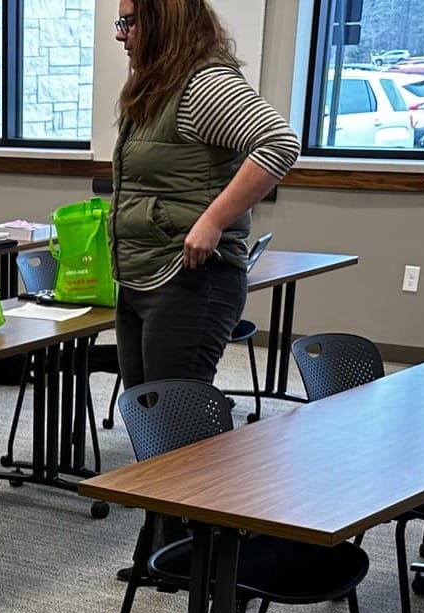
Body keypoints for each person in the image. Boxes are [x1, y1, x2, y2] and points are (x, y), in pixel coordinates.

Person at [109, 0, 300, 388]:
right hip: (143, 274)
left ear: (163, 20)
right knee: (148, 416)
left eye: (129, 22)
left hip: (190, 279)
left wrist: (213, 221)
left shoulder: (204, 84)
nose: (120, 34)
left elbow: (278, 143)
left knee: (180, 423)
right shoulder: (158, 84)